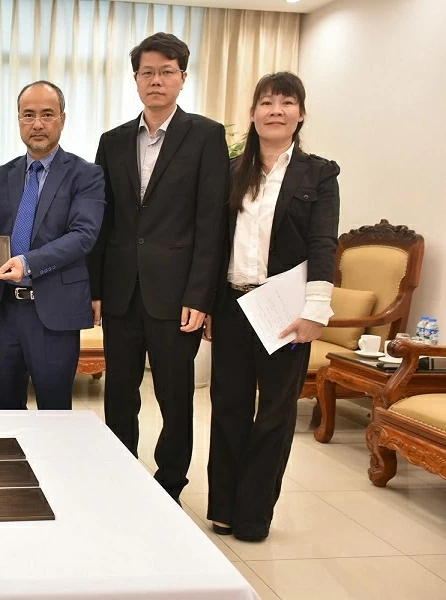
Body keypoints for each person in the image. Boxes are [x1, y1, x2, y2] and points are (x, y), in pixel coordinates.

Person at [87, 33, 229, 503]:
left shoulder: (206, 136)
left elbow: (212, 223)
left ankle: (170, 482)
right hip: (122, 290)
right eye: (147, 72)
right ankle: (118, 469)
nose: (156, 80)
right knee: (119, 393)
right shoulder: (112, 142)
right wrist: (96, 288)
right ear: (135, 80)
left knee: (175, 396)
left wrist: (201, 296)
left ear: (182, 78)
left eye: (166, 72)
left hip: (178, 297)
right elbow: (103, 220)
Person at [205, 72, 339, 541]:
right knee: (228, 408)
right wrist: (206, 305)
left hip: (285, 308)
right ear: (254, 113)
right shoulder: (232, 169)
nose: (275, 110)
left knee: (275, 415)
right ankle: (222, 507)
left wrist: (316, 309)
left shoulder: (319, 173)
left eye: (286, 102)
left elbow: (324, 245)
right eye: (266, 102)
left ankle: (254, 515)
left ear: (300, 114)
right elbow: (215, 243)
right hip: (234, 305)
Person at [0, 81, 104, 410]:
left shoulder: (86, 175)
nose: (37, 123)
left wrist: (27, 262)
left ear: (62, 119)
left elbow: (83, 236)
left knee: (54, 411)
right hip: (4, 311)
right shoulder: (0, 176)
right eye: (28, 115)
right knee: (2, 411)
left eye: (47, 115)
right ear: (18, 120)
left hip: (54, 310)